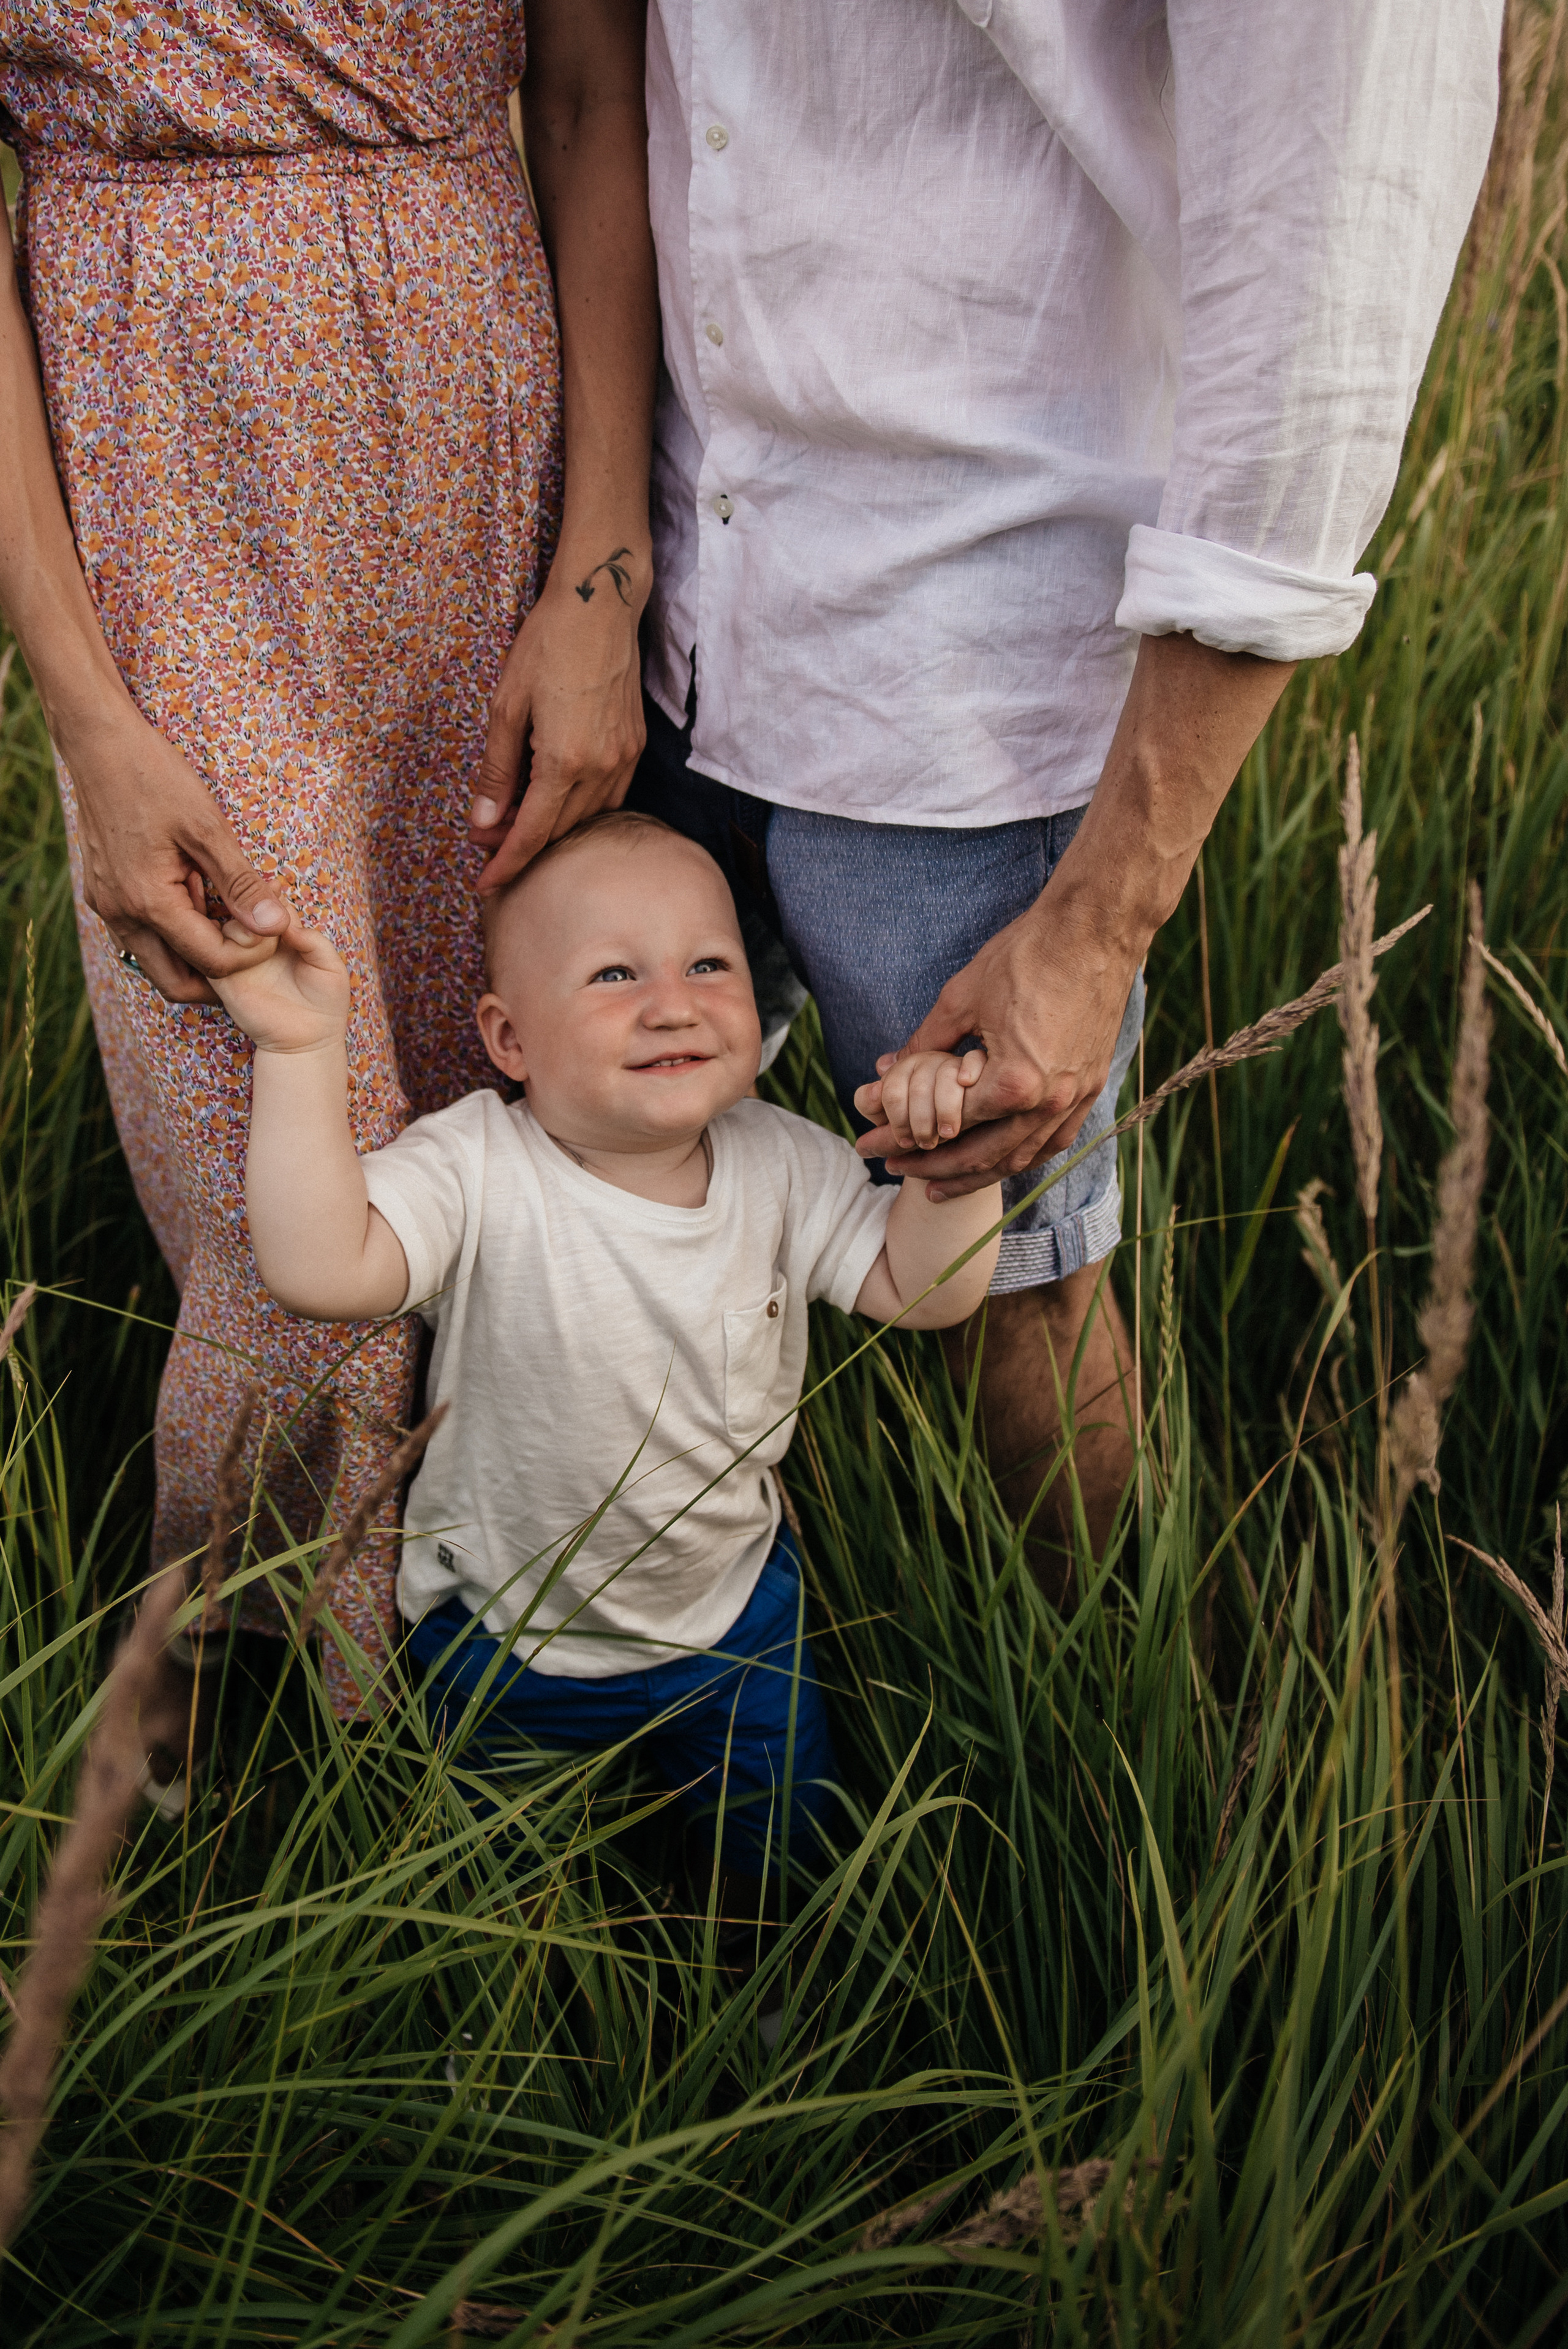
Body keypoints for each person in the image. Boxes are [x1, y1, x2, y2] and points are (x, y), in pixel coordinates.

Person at [469, 2, 1502, 1590]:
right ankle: (627, 1642)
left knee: (1016, 1287)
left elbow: (1330, 285)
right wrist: (603, 569)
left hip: (970, 664)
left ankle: (1084, 1742)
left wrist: (1096, 925)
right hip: (664, 586)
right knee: (583, 1184)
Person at [0, 3, 659, 1721]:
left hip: (481, 471)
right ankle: (250, 1735)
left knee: (502, 1093)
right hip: (166, 497)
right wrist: (86, 708)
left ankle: (551, 1674)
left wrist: (601, 564)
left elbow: (591, 92)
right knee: (280, 1148)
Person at [209, 809, 1001, 1884]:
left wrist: (951, 1164)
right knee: (493, 1875)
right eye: (615, 976)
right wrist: (300, 1051)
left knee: (779, 1847)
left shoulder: (779, 1162)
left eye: (710, 962)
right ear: (510, 1041)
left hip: (735, 1617)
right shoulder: (478, 1167)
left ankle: (768, 1999)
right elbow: (318, 1267)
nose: (673, 1002)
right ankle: (494, 2032)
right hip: (503, 1634)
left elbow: (925, 1292)